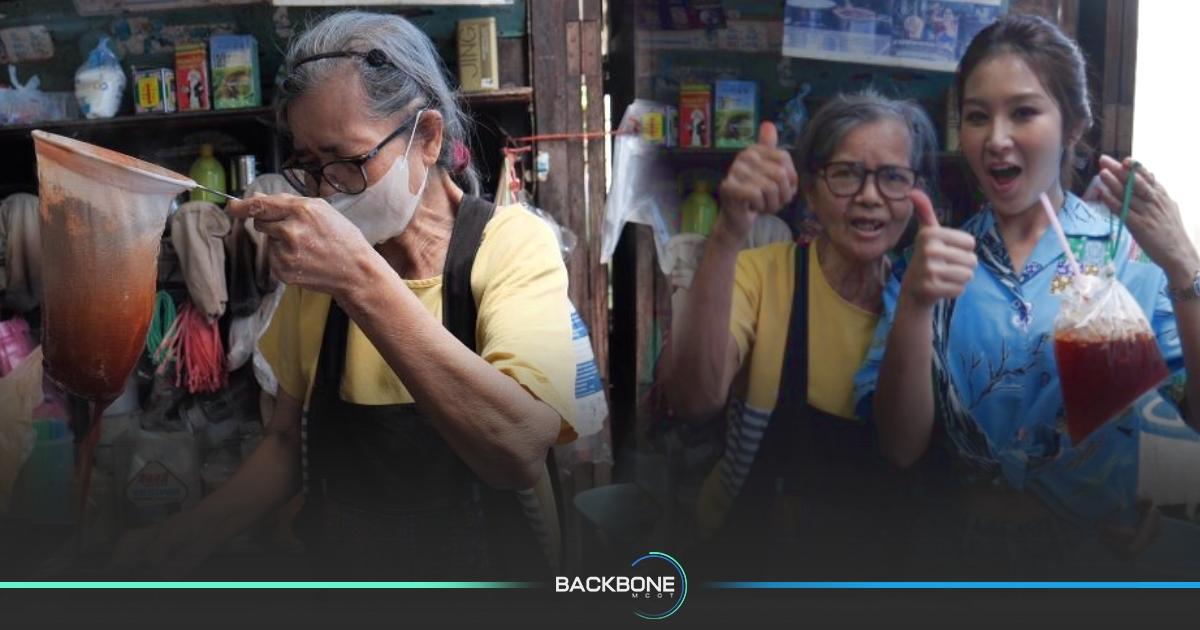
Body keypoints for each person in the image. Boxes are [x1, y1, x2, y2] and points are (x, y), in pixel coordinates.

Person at [114, 11, 577, 580]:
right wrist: (185, 535)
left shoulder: (510, 247)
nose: (328, 191)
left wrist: (357, 278)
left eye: (348, 163)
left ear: (426, 138)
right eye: (310, 166)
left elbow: (519, 448)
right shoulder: (321, 271)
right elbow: (285, 442)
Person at [859, 14, 1200, 578]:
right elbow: (899, 447)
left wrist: (1185, 266)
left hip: (1096, 562)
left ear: (1073, 126)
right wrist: (917, 306)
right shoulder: (933, 264)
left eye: (1023, 111)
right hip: (952, 560)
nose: (996, 139)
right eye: (976, 116)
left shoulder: (1129, 257)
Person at [664, 91, 938, 578]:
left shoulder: (927, 305)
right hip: (745, 560)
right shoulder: (762, 275)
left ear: (917, 196)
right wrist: (728, 230)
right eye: (847, 173)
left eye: (893, 177)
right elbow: (694, 398)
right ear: (810, 189)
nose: (870, 196)